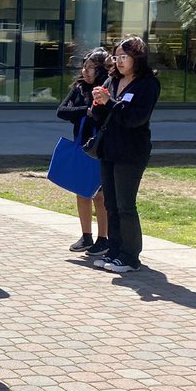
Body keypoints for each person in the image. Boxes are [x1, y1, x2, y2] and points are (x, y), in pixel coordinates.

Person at [88, 35, 160, 273]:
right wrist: (98, 104)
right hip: (109, 149)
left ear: (137, 57)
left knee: (126, 205)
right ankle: (115, 251)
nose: (119, 61)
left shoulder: (147, 84)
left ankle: (130, 257)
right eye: (116, 56)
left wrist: (109, 103)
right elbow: (103, 117)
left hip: (131, 152)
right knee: (111, 204)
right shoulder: (111, 81)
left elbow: (134, 118)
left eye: (124, 57)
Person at [56, 48, 111, 254]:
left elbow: (105, 114)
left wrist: (93, 112)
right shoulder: (79, 88)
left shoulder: (106, 88)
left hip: (100, 148)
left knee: (99, 195)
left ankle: (103, 238)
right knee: (81, 192)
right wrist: (85, 111)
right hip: (81, 145)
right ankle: (86, 236)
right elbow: (62, 111)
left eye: (91, 68)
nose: (86, 72)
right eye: (84, 67)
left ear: (101, 70)